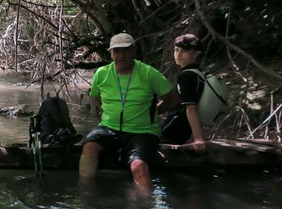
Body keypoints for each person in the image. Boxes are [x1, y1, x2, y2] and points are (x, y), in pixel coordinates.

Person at [78, 33, 178, 187]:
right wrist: (110, 113)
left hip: (142, 131)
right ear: (110, 53)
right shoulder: (102, 73)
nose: (121, 55)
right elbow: (96, 98)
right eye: (116, 51)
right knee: (89, 147)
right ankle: (85, 194)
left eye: (125, 50)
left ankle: (145, 207)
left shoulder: (148, 73)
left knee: (138, 166)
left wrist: (154, 112)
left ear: (133, 51)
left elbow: (173, 99)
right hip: (109, 127)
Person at [160, 34, 206, 151]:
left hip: (173, 129)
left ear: (196, 53)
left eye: (184, 51)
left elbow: (191, 108)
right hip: (182, 130)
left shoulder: (186, 76)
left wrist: (198, 139)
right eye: (176, 50)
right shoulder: (198, 73)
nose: (178, 54)